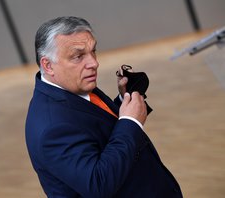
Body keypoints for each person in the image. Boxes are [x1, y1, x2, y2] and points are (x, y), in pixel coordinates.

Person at [25, 16, 183, 198]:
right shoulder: (51, 129)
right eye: (78, 56)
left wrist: (122, 101)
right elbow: (98, 184)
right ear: (48, 65)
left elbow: (95, 131)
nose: (94, 63)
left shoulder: (72, 86)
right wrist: (130, 122)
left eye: (93, 51)